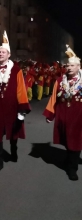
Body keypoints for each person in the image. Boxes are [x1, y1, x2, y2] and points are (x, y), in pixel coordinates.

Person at [0, 31, 31, 173]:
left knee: (13, 134)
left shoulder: (16, 71)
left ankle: (13, 150)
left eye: (3, 52)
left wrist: (22, 109)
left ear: (9, 54)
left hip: (12, 109)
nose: (0, 54)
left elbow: (21, 89)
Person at [43, 45, 82, 181]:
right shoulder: (60, 81)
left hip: (78, 118)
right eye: (68, 65)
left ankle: (72, 169)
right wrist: (50, 114)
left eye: (72, 65)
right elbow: (54, 97)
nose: (69, 68)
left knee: (76, 142)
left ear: (78, 67)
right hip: (63, 115)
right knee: (66, 140)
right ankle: (70, 157)